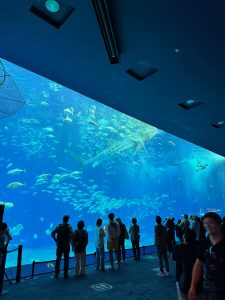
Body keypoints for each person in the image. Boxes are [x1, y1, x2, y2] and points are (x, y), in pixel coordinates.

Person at [189, 212, 225, 300]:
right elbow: (198, 263)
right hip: (208, 291)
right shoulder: (204, 243)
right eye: (205, 223)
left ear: (219, 224)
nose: (207, 225)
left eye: (211, 223)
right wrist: (193, 286)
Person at [173, 229, 200, 300]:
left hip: (182, 278)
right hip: (197, 279)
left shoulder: (177, 248)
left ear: (184, 237)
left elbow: (174, 258)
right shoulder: (199, 248)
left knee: (182, 297)